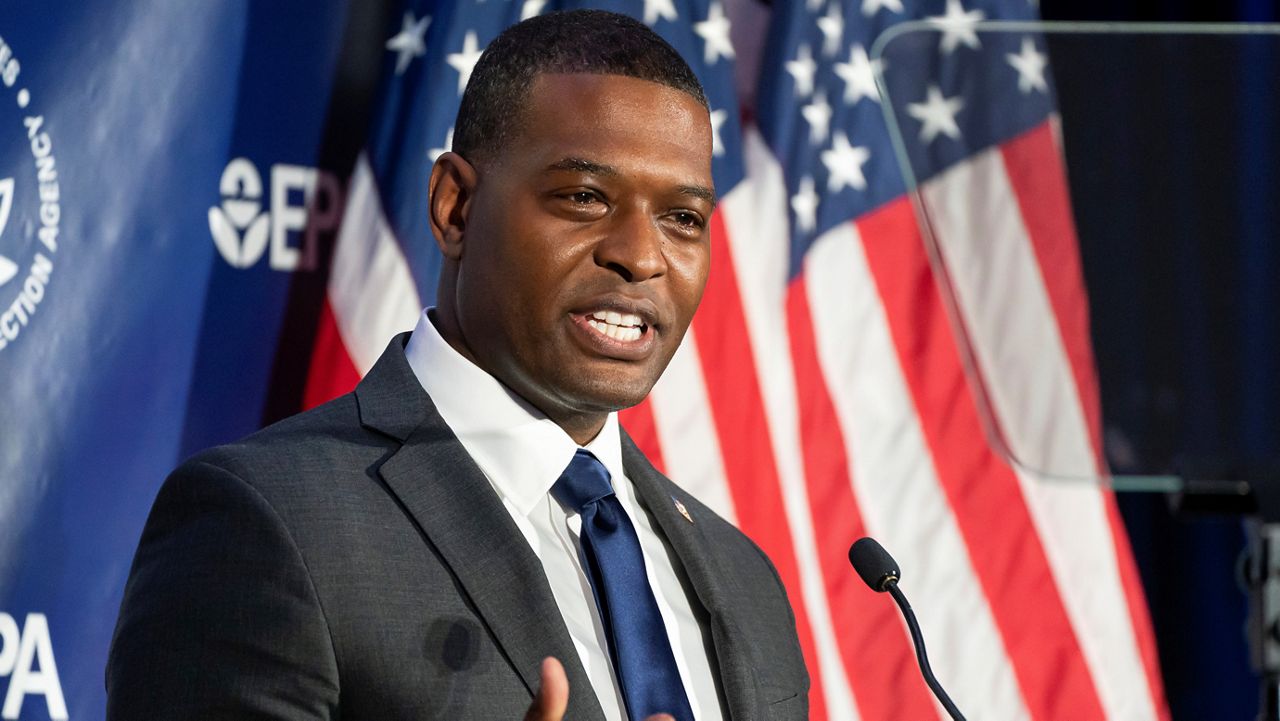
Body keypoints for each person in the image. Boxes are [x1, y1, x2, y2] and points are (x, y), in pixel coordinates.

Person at [106, 10, 807, 721]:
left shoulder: (744, 578)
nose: (642, 254)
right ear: (456, 207)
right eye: (585, 198)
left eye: (683, 218)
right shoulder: (267, 523)